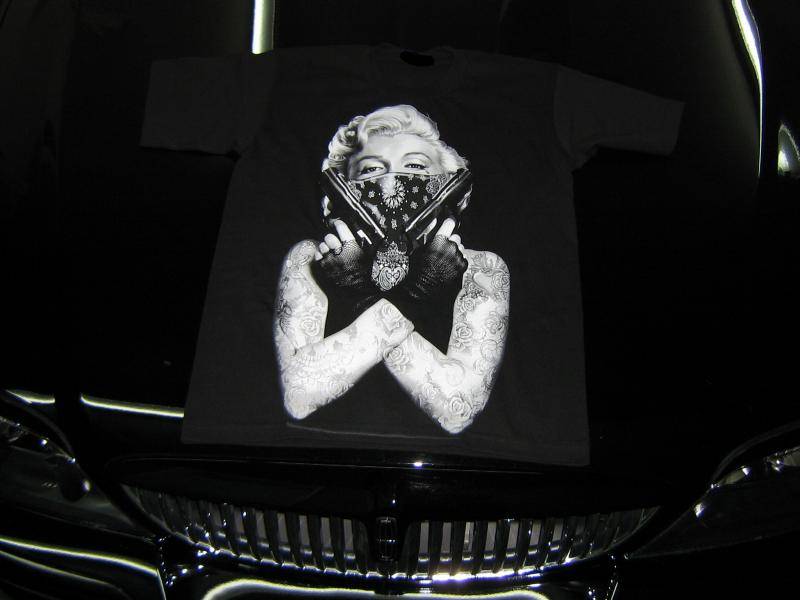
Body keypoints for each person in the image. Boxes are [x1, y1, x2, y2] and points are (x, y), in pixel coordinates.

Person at [273, 105, 510, 434]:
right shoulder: (309, 259)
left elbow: (458, 408)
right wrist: (412, 295)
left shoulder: (481, 270)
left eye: (415, 165)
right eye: (371, 169)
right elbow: (298, 396)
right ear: (341, 187)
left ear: (450, 182)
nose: (390, 184)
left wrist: (362, 294)